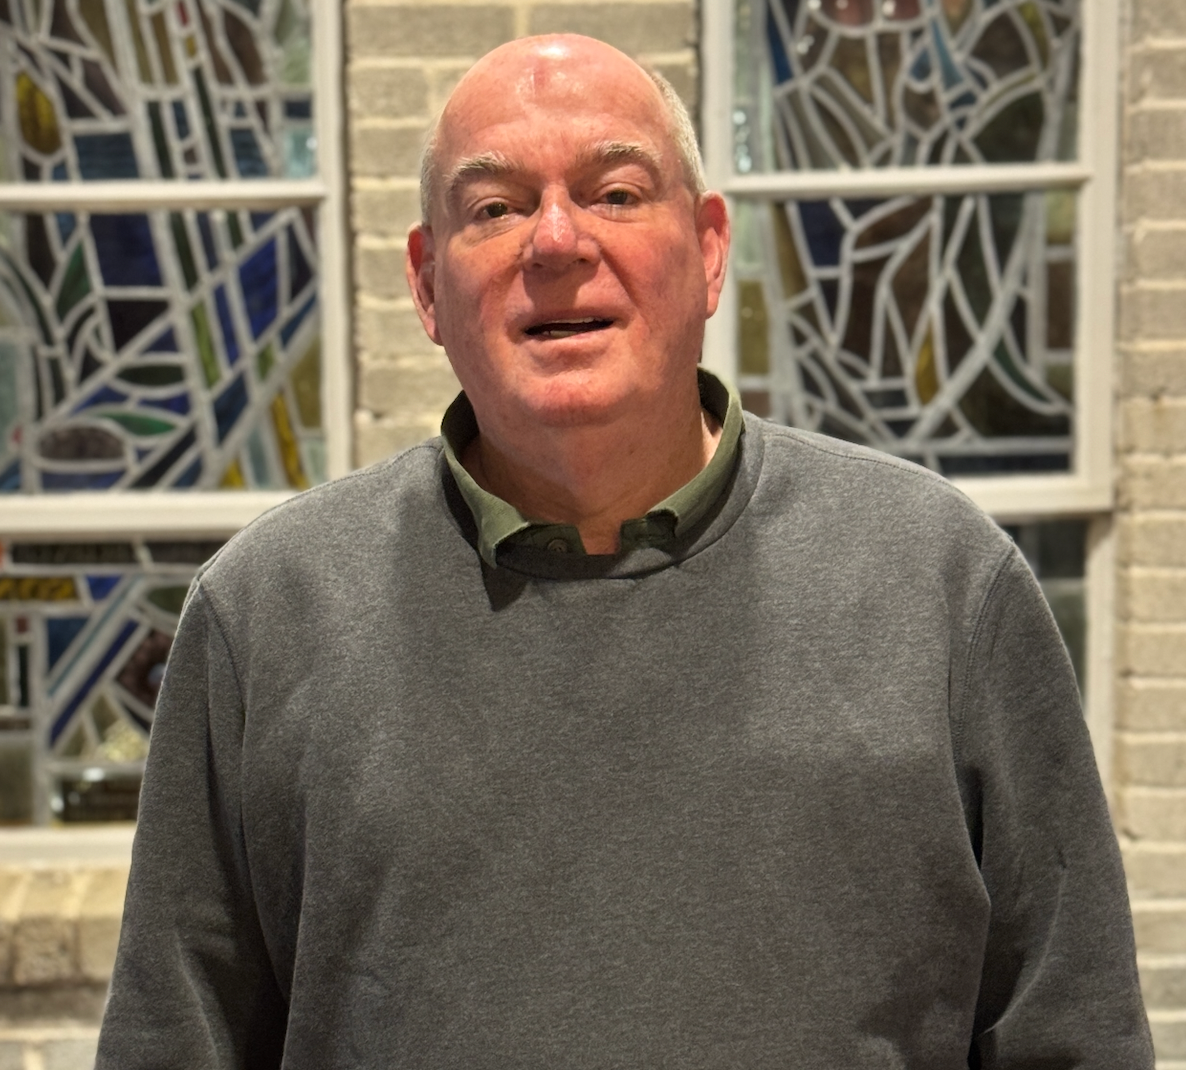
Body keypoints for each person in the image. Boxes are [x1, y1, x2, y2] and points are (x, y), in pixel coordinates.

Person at [97, 34, 1153, 1069]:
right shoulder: (265, 613)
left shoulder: (945, 585)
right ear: (426, 284)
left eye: (613, 193)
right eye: (495, 207)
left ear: (705, 249)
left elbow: (1074, 1035)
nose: (555, 241)